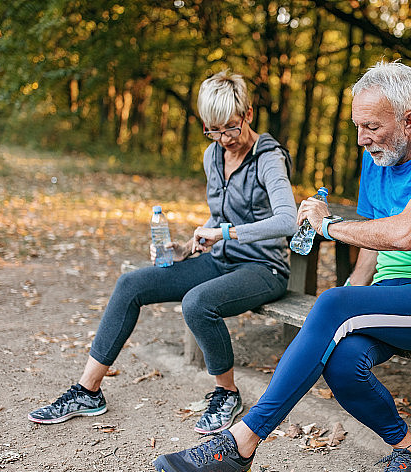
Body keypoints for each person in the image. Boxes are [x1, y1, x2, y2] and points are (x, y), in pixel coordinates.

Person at [153, 61, 411, 472]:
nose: (361, 139)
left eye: (371, 126)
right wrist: (352, 292)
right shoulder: (377, 163)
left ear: (409, 121)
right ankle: (410, 452)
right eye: (357, 126)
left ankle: (240, 444)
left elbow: (406, 233)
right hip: (393, 293)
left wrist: (329, 228)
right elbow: (373, 244)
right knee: (343, 361)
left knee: (332, 305)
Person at [28, 71, 298, 435]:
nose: (224, 140)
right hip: (222, 259)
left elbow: (286, 220)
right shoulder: (212, 157)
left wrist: (225, 232)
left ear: (248, 114)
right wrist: (187, 247)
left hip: (264, 268)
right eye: (213, 131)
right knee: (131, 284)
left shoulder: (268, 157)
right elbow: (221, 215)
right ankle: (88, 390)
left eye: (231, 128)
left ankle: (227, 393)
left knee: (197, 302)